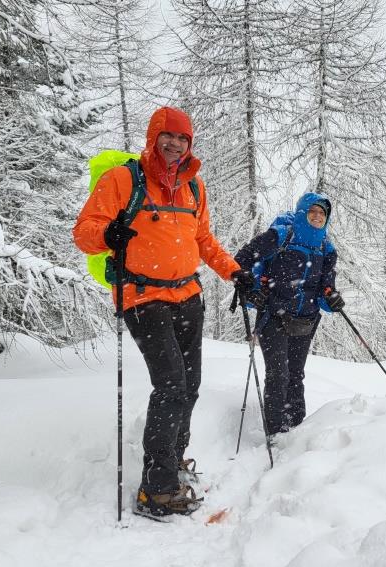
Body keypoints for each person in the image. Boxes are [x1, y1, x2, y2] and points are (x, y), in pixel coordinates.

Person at [73, 106, 254, 519]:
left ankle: (172, 460)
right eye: (167, 136)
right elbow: (84, 232)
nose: (174, 144)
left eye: (182, 138)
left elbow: (204, 240)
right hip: (142, 297)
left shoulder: (194, 187)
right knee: (171, 385)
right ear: (153, 137)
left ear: (190, 143)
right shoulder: (123, 180)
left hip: (187, 295)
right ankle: (156, 491)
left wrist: (235, 272)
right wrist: (107, 233)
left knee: (189, 385)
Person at [234, 192, 345, 437]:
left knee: (295, 375)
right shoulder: (281, 236)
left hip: (306, 321)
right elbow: (242, 259)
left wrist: (332, 299)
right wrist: (252, 290)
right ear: (302, 212)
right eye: (313, 211)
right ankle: (275, 434)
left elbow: (325, 289)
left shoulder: (326, 249)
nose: (317, 216)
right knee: (278, 375)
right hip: (273, 316)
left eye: (322, 213)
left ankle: (295, 432)